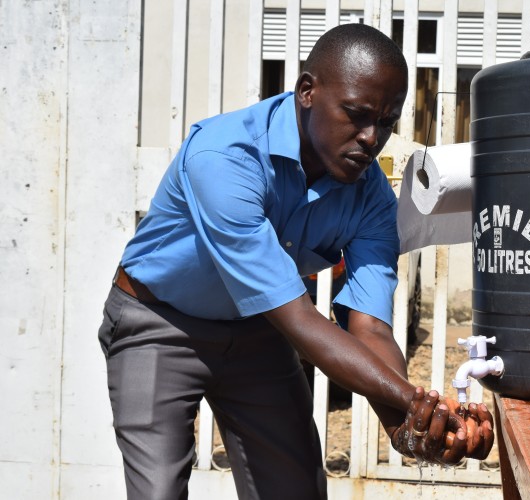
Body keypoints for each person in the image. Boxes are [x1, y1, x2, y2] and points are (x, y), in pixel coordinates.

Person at [98, 23, 494, 499]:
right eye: (357, 114)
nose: (372, 138)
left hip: (257, 332)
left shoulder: (369, 195)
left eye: (387, 121)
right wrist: (411, 401)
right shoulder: (226, 157)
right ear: (307, 91)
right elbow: (299, 316)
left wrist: (410, 426)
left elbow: (368, 328)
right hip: (160, 324)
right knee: (157, 490)